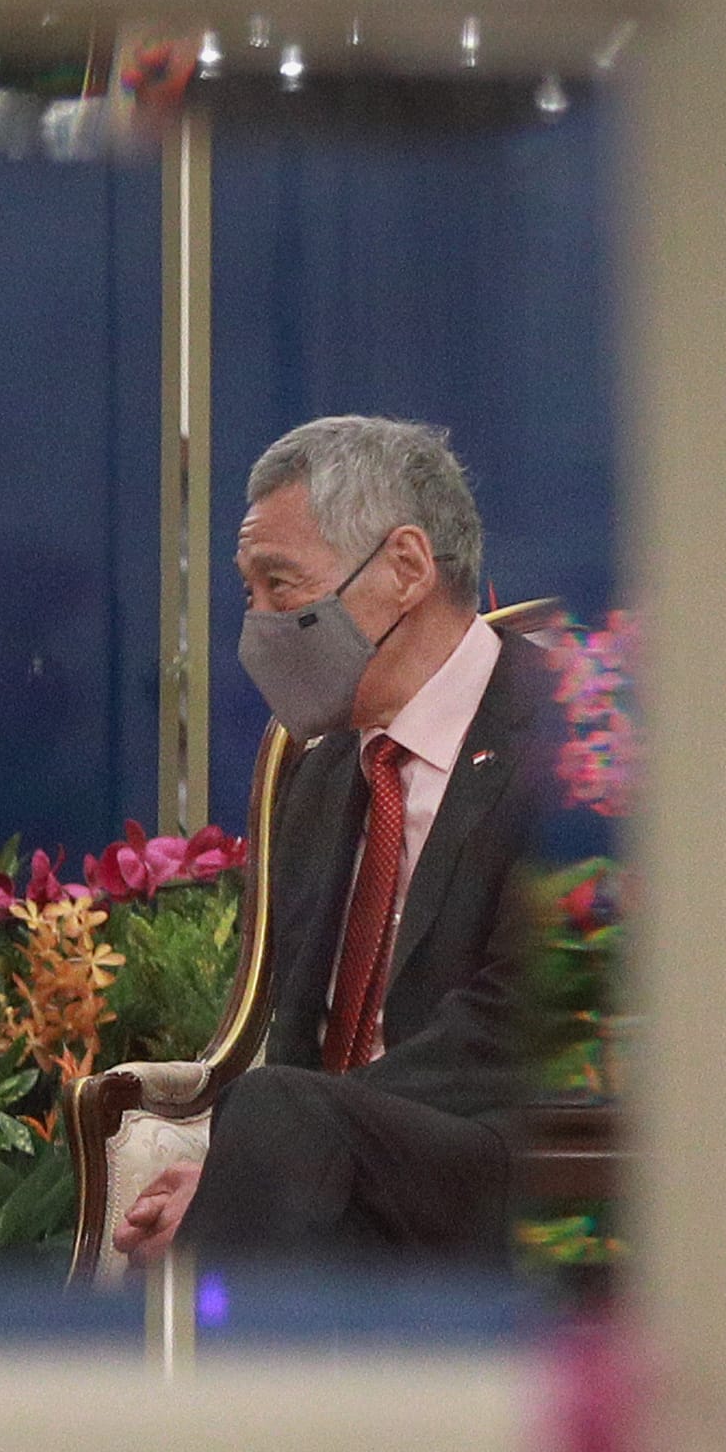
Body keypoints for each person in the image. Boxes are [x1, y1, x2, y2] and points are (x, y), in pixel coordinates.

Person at [111, 415, 552, 1268]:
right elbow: (298, 1046)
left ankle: (186, 1386)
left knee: (277, 1120)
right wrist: (267, 1163)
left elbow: (514, 1022)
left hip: (500, 1160)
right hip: (332, 1172)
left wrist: (280, 1149)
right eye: (248, 594)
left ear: (406, 569)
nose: (260, 623)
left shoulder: (560, 738)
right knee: (270, 1133)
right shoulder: (320, 780)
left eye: (282, 586)